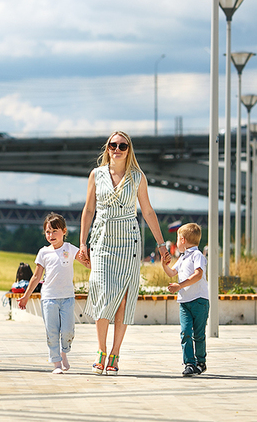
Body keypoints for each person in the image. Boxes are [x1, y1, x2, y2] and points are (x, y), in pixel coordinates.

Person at [78, 132, 169, 375]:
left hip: (128, 242)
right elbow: (88, 210)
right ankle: (101, 350)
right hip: (102, 239)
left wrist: (161, 245)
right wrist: (83, 243)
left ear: (129, 149)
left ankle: (115, 354)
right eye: (113, 145)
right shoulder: (96, 175)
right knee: (101, 291)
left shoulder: (137, 177)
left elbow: (148, 212)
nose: (117, 149)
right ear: (107, 148)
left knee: (123, 301)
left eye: (122, 145)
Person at [18, 213, 89, 374]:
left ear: (64, 231)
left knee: (68, 331)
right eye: (47, 232)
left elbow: (87, 264)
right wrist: (26, 296)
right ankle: (56, 363)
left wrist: (94, 259)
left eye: (54, 231)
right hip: (49, 298)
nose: (51, 235)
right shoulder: (43, 252)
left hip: (67, 298)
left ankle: (64, 352)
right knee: (52, 332)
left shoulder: (70, 249)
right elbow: (36, 277)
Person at [161, 223, 209, 377]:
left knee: (199, 334)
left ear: (182, 240)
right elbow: (171, 272)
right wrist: (164, 264)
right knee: (185, 332)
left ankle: (201, 362)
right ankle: (189, 363)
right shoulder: (183, 257)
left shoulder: (197, 255)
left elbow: (198, 274)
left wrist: (180, 286)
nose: (176, 242)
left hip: (199, 301)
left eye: (177, 239)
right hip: (185, 302)